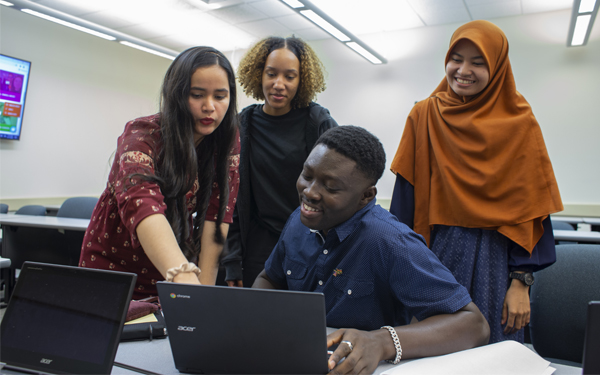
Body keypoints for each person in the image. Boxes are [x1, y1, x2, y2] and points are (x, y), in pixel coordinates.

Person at [254, 126, 490, 374]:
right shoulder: (299, 221)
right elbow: (270, 278)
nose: (310, 192)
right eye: (307, 175)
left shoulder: (389, 241)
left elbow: (474, 325)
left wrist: (382, 342)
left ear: (366, 196)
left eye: (331, 187)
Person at [389, 20, 563, 344]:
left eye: (478, 61)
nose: (463, 70)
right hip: (434, 259)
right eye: (456, 58)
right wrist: (403, 275)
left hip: (494, 262)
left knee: (492, 354)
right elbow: (403, 208)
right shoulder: (424, 115)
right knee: (433, 353)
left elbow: (533, 208)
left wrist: (521, 282)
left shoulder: (519, 121)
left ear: (497, 66)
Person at [79, 47, 240, 299]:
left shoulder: (226, 142)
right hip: (115, 265)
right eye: (197, 95)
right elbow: (144, 206)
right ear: (176, 94)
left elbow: (217, 216)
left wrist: (205, 297)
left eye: (220, 96)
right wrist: (183, 275)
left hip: (172, 263)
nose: (210, 107)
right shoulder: (141, 134)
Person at [221, 36, 338, 287]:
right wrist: (232, 260)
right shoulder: (243, 124)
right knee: (256, 321)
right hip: (259, 246)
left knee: (302, 321)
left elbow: (340, 183)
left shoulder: (318, 122)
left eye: (289, 76)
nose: (278, 84)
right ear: (258, 75)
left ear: (301, 79)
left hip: (310, 240)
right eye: (271, 74)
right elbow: (231, 196)